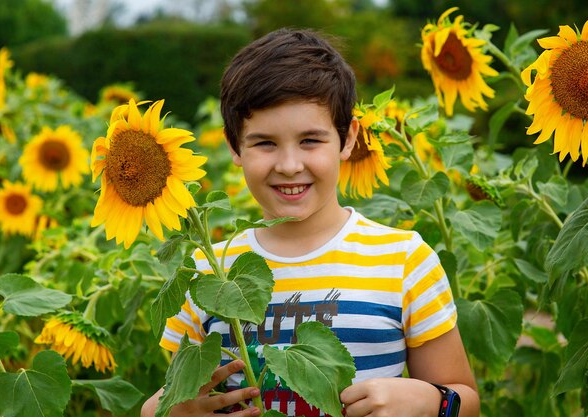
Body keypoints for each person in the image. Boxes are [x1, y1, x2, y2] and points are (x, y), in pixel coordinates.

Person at [142, 28, 479, 417]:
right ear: (234, 146)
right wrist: (177, 411)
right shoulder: (205, 274)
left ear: (348, 139)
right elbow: (169, 398)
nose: (289, 165)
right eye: (265, 143)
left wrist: (432, 402)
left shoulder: (403, 260)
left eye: (310, 141)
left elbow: (465, 398)